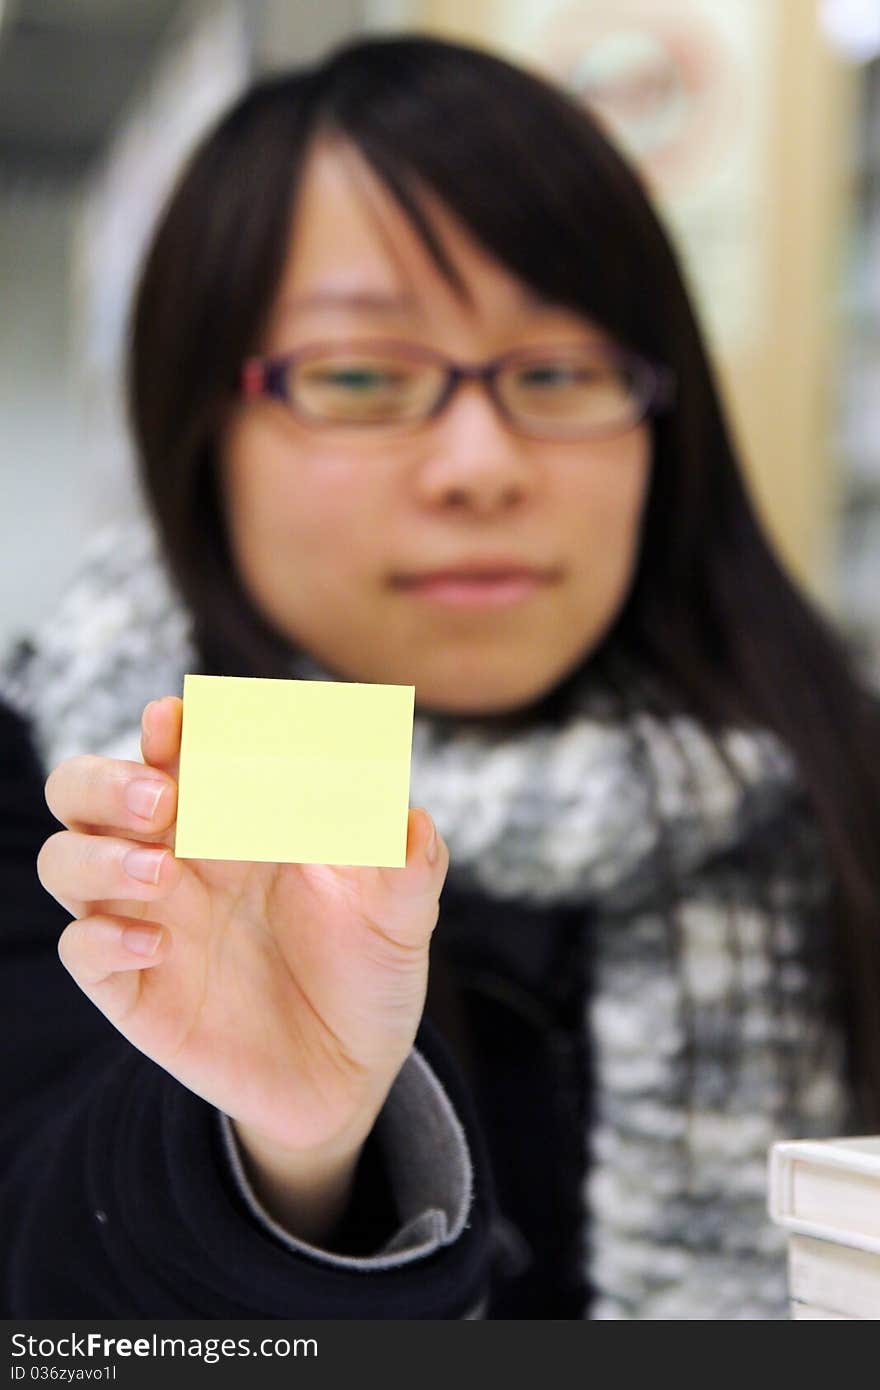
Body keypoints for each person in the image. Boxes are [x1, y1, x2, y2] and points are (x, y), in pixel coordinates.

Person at [2, 33, 879, 1321]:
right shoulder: (79, 805)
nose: (481, 463)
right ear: (200, 429)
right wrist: (293, 1158)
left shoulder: (836, 781)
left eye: (559, 374)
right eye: (361, 375)